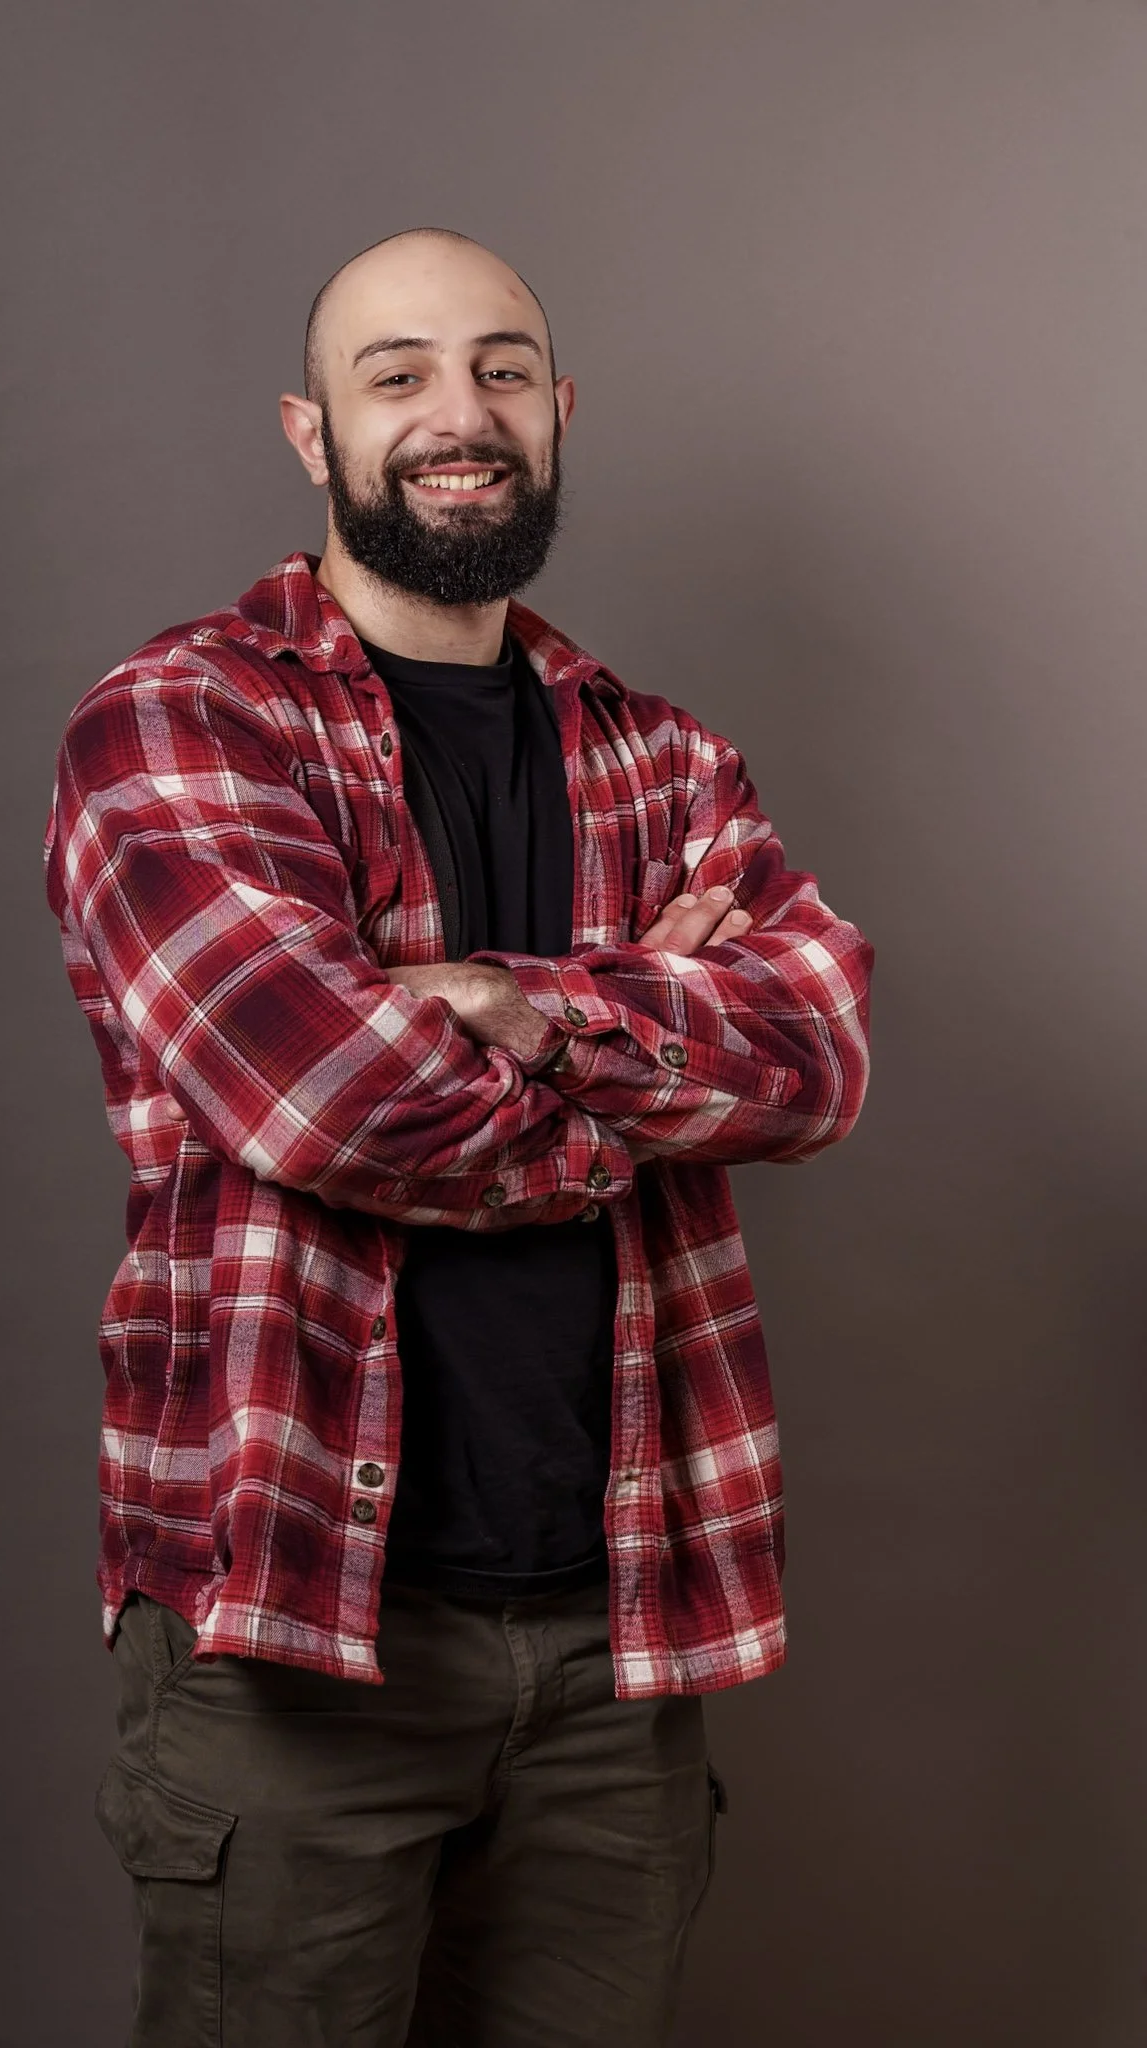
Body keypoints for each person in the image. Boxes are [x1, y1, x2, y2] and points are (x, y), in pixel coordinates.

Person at [44, 225, 873, 2048]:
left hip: (619, 1632)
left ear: (559, 411)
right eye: (397, 373)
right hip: (299, 1635)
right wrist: (642, 1044)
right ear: (310, 427)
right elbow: (325, 1099)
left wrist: (494, 1001)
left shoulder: (669, 764)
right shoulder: (175, 722)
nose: (458, 413)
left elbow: (817, 1056)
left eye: (502, 368)